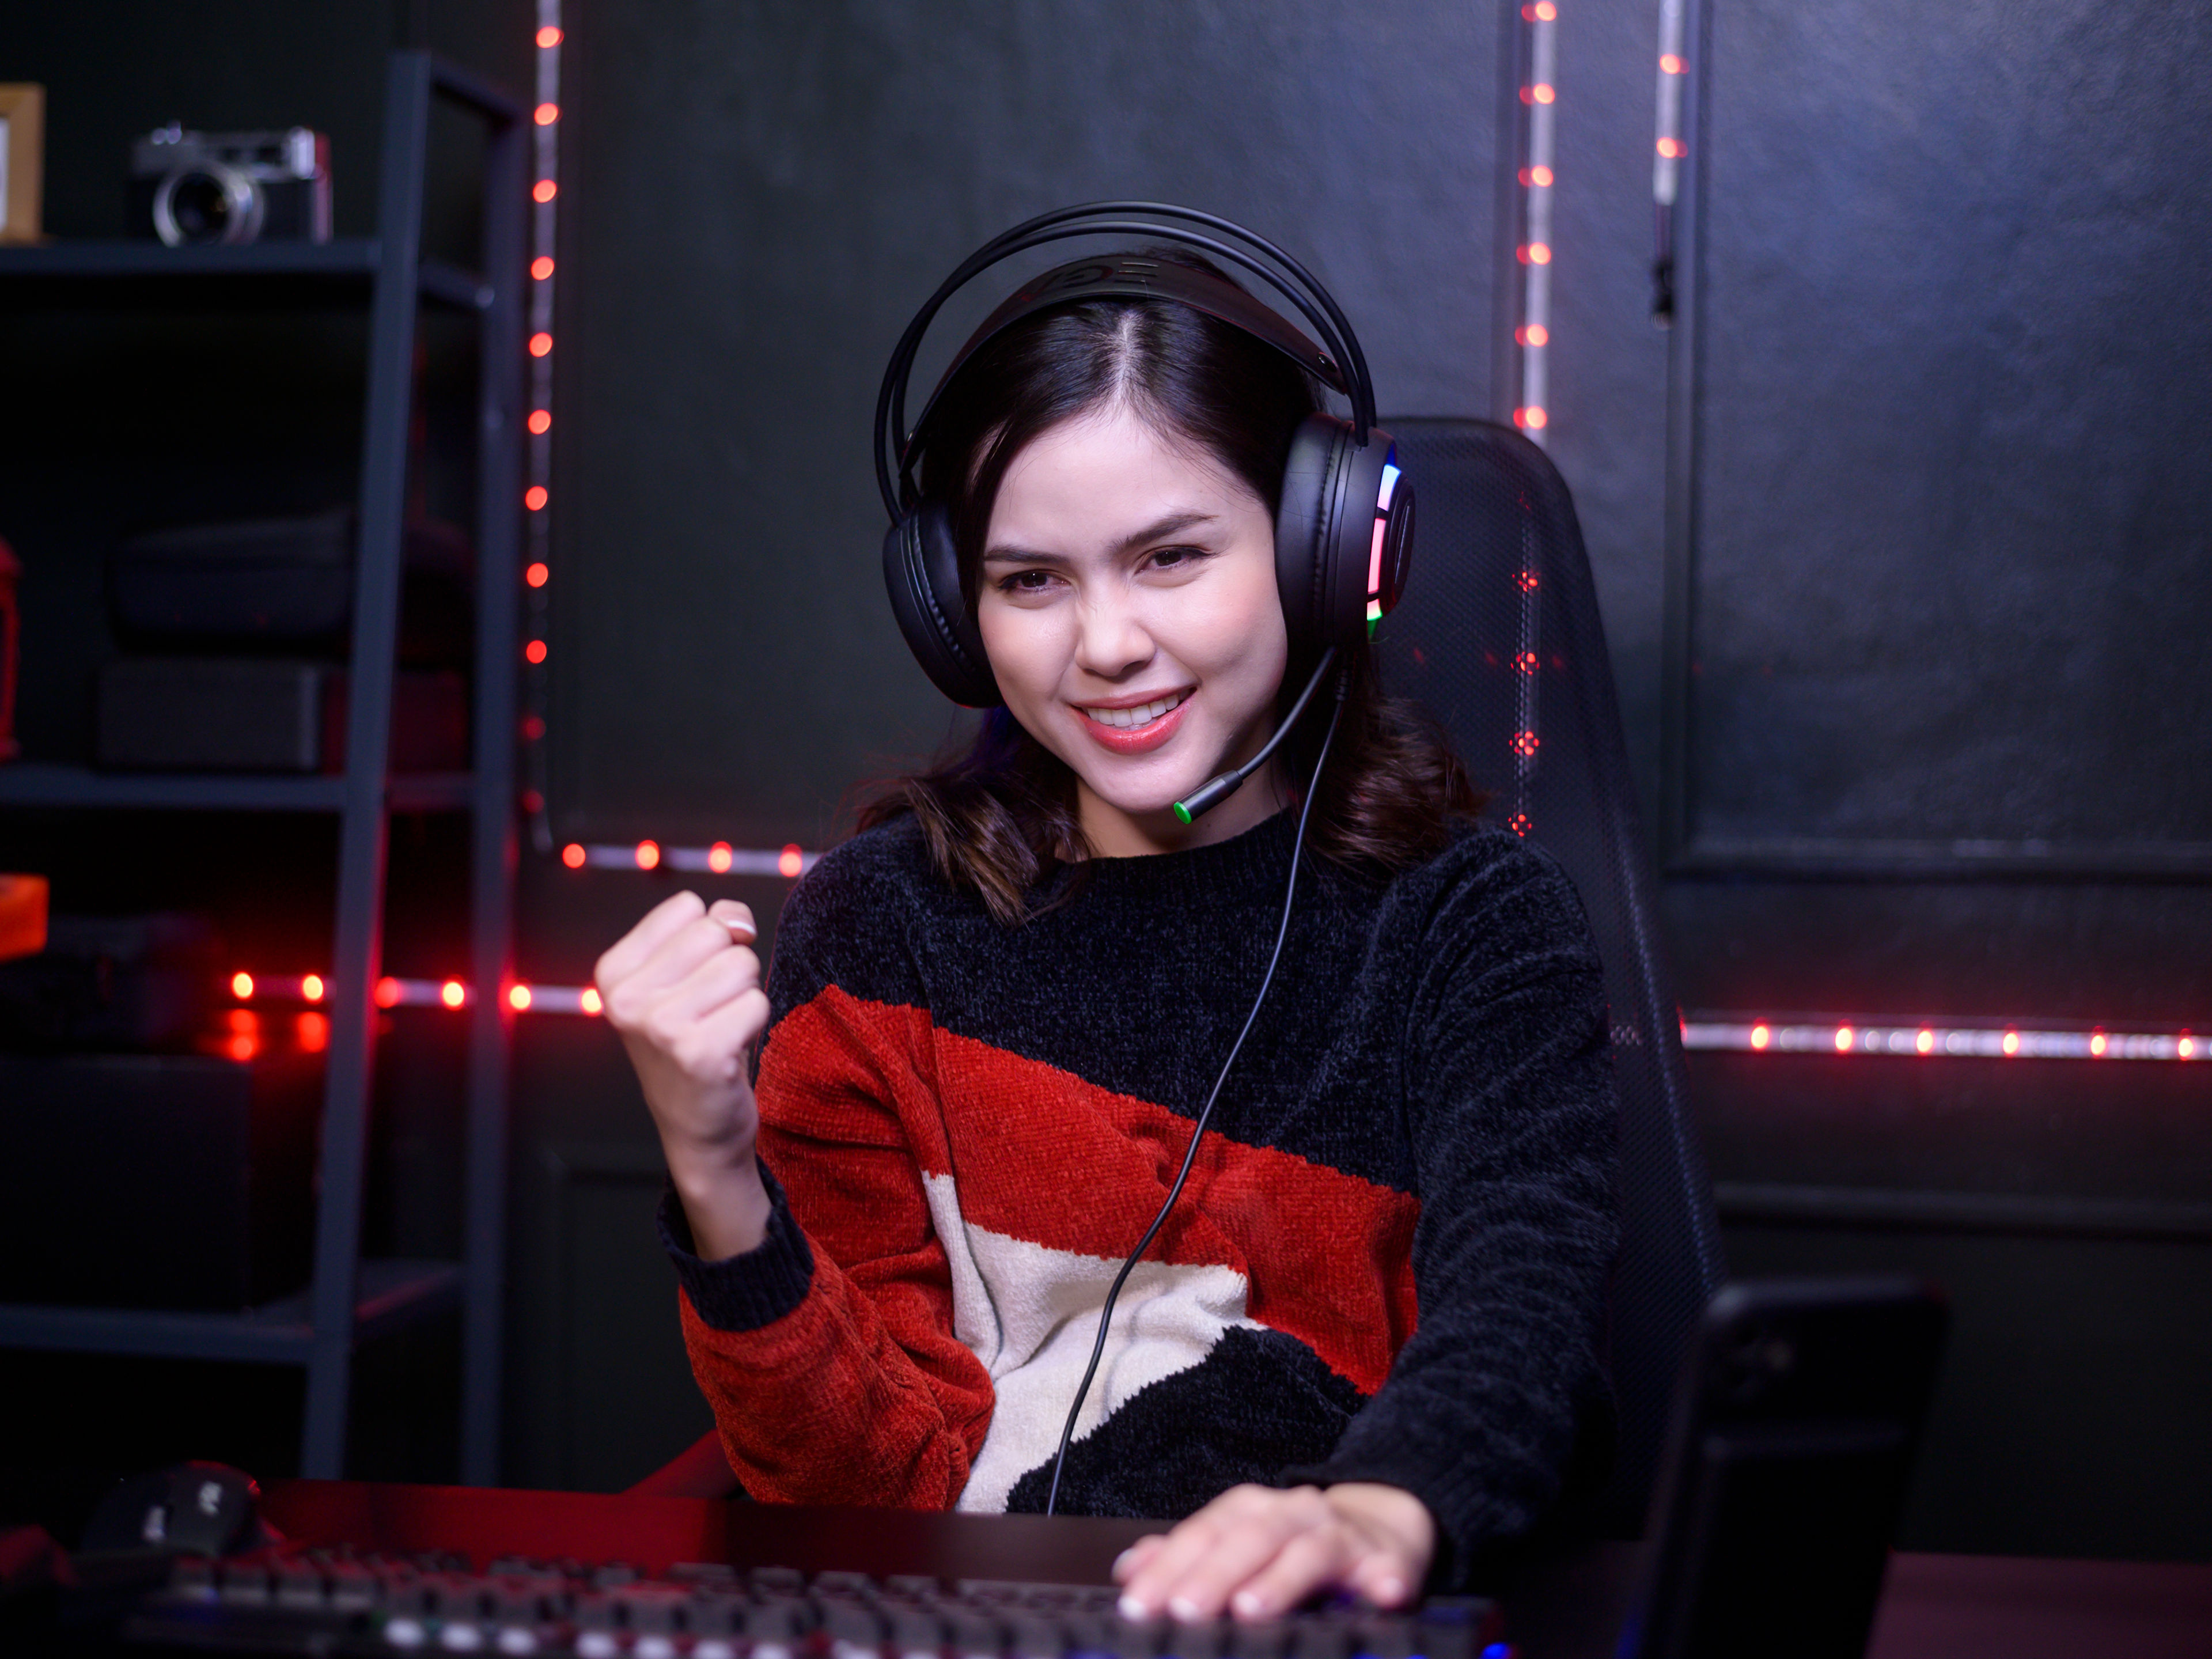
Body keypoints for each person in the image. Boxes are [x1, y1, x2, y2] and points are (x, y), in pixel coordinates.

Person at [593, 236, 1619, 1620]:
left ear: (1328, 552)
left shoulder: (1471, 928)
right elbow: (854, 1495)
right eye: (1032, 582)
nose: (1109, 644)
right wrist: (717, 1177)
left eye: (1171, 556)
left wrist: (1388, 1502)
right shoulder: (878, 931)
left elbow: (1524, 1298)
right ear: (954, 614)